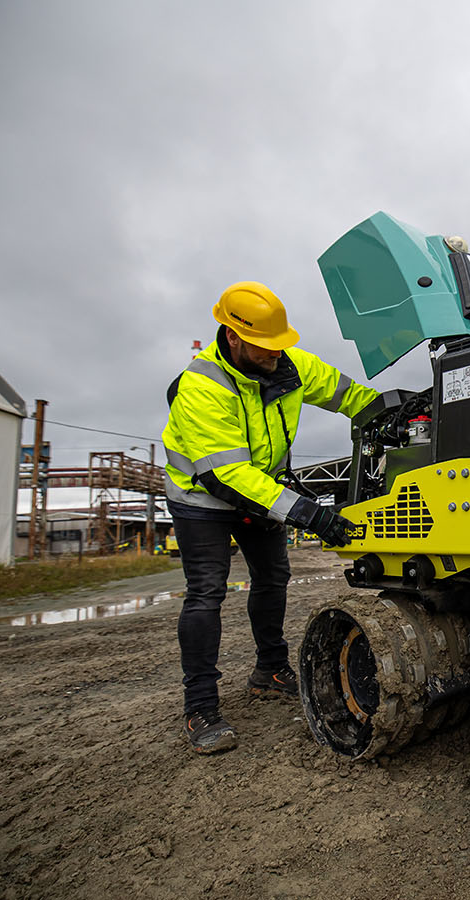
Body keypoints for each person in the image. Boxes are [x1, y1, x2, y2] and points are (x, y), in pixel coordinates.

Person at [162, 281, 377, 754]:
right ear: (233, 337)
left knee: (273, 578)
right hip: (203, 498)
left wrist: (403, 412)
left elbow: (354, 399)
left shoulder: (291, 365)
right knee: (206, 593)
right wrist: (309, 514)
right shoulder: (201, 386)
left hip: (259, 490)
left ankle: (269, 670)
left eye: (281, 345)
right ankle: (200, 707)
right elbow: (227, 475)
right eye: (265, 347)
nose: (276, 356)